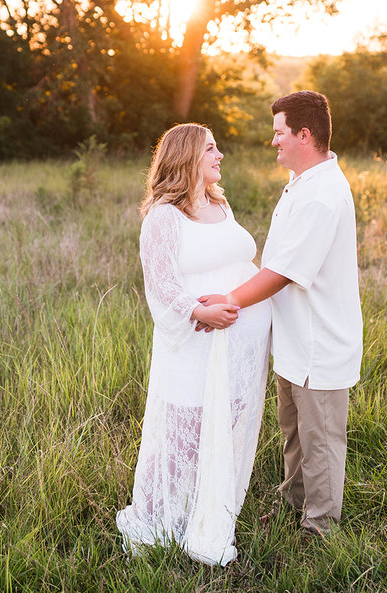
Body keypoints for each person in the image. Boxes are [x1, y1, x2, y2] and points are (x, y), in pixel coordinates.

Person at [197, 90, 362, 536]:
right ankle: (294, 503)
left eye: (279, 133)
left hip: (319, 343)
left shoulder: (321, 195)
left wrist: (229, 299)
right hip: (294, 340)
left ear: (304, 135)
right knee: (294, 432)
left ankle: (319, 531)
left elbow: (282, 273)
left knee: (320, 440)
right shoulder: (303, 182)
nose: (274, 142)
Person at [116, 123, 273, 566]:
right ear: (186, 156)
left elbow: (240, 263)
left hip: (239, 351)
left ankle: (204, 512)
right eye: (211, 148)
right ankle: (156, 520)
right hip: (194, 344)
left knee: (223, 429)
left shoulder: (220, 203)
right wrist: (199, 311)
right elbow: (161, 283)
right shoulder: (165, 216)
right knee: (182, 437)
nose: (220, 155)